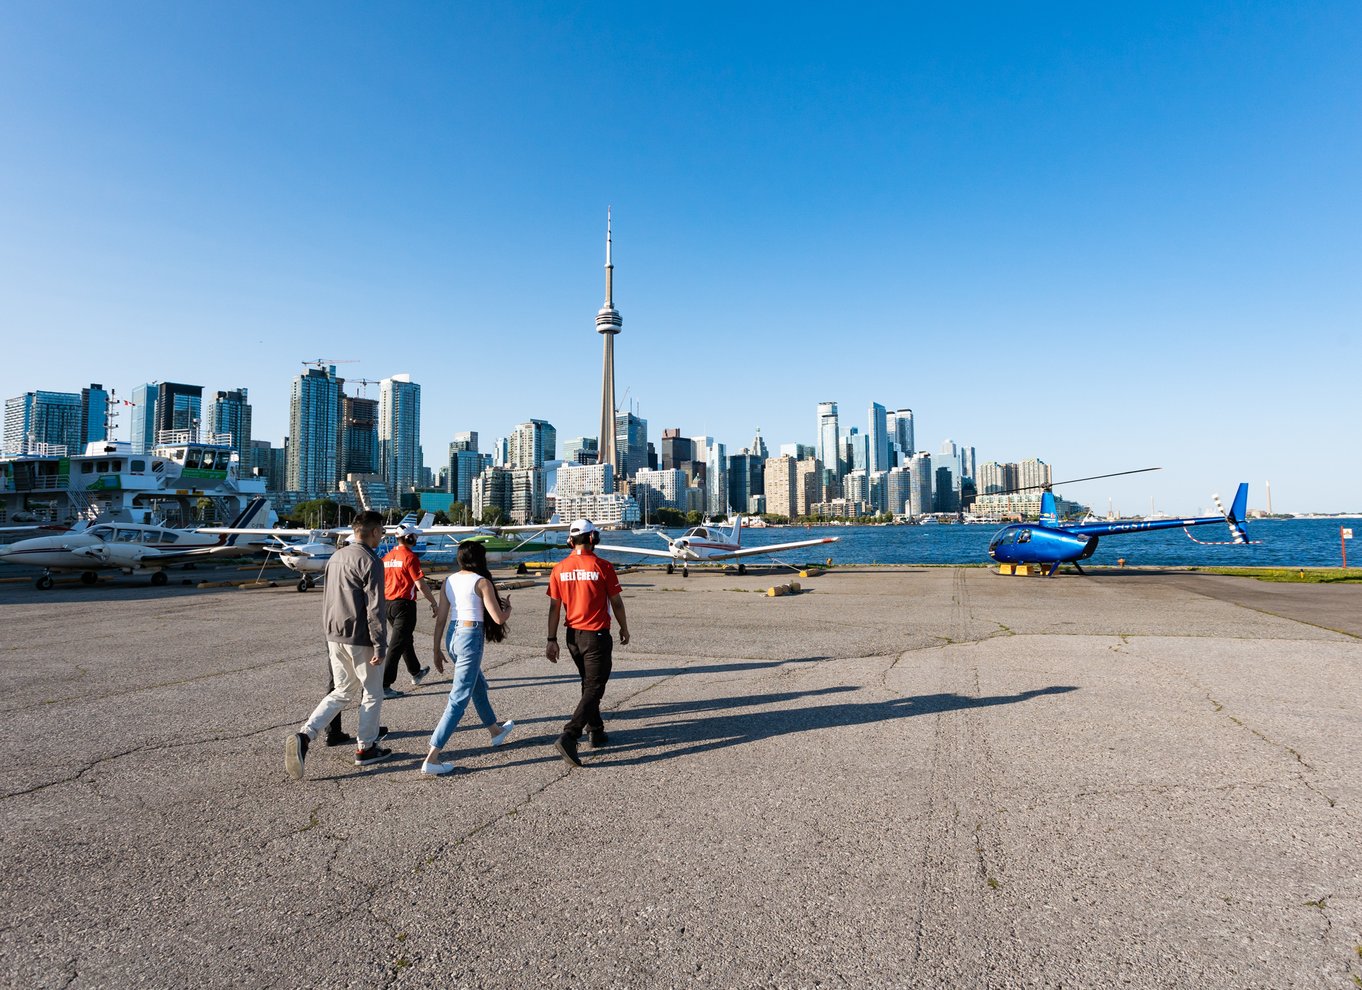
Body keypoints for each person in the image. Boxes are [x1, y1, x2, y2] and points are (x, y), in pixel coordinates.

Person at [285, 510, 391, 780]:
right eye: (382, 530)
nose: (383, 535)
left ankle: (306, 734)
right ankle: (366, 747)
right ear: (375, 531)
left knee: (342, 690)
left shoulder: (336, 557)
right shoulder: (371, 560)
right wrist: (380, 643)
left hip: (334, 634)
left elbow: (328, 598)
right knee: (372, 691)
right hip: (361, 636)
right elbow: (376, 607)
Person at [421, 540, 516, 776]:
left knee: (477, 685)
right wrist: (508, 610)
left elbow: (441, 619)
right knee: (459, 697)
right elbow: (498, 618)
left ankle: (495, 731)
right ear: (479, 559)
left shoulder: (449, 581)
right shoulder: (481, 582)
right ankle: (432, 756)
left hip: (453, 636)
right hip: (469, 635)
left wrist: (436, 650)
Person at [545, 518, 631, 768]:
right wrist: (624, 627)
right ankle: (570, 734)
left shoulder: (559, 569)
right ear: (593, 538)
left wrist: (551, 639)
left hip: (572, 636)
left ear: (570, 541)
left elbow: (554, 608)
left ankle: (597, 729)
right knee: (595, 687)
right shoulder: (603, 566)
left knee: (588, 684)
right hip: (597, 636)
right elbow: (616, 602)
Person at [381, 523, 436, 699]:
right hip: (404, 606)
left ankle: (415, 671)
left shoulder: (387, 557)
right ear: (409, 538)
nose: (417, 539)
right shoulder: (410, 557)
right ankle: (384, 685)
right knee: (396, 646)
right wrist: (434, 602)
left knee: (405, 639)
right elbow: (420, 584)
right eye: (415, 536)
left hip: (388, 604)